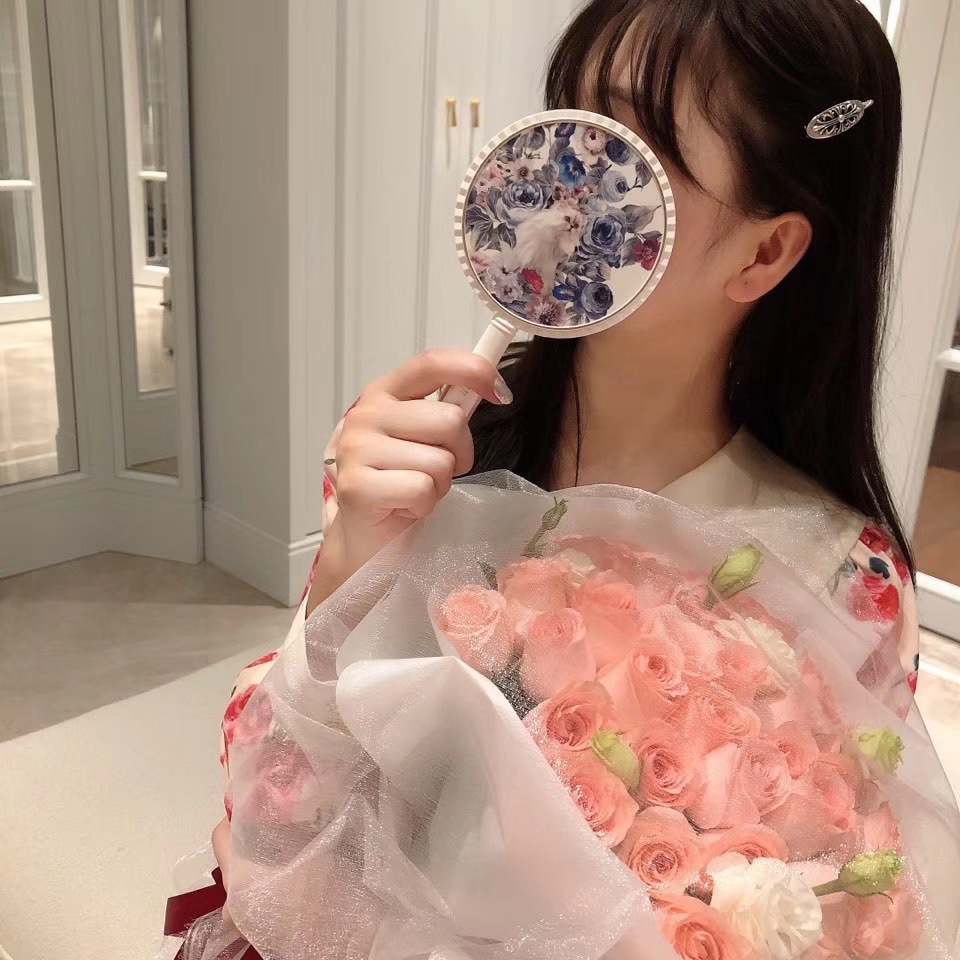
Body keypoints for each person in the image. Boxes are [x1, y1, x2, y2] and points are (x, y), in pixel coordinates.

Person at [174, 0, 924, 953]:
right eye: (565, 114)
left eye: (624, 146)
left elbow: (840, 893)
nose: (554, 177)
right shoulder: (419, 454)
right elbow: (276, 778)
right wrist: (349, 567)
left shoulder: (840, 574)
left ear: (765, 250)